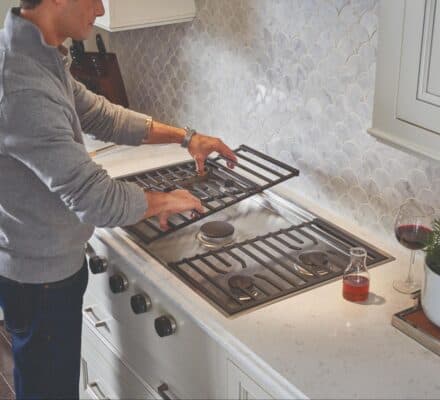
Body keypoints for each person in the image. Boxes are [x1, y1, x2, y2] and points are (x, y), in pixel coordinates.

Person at [0, 0, 237, 399]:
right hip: (40, 279)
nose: (100, 8)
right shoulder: (22, 85)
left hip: (47, 265)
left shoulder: (37, 52)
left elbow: (102, 115)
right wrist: (166, 200)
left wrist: (186, 137)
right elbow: (93, 197)